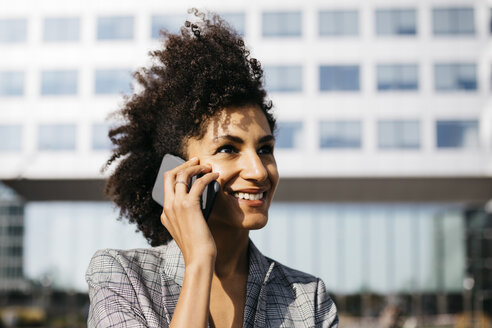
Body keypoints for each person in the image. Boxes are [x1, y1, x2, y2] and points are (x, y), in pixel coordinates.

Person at [86, 10, 338, 328]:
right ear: (175, 169)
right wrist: (200, 260)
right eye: (228, 149)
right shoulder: (121, 276)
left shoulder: (308, 299)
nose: (259, 171)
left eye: (265, 149)